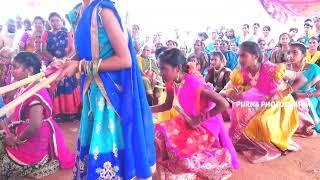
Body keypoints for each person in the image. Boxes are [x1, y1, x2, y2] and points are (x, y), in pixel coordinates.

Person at [64, 0, 156, 179]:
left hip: (108, 97)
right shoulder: (78, 12)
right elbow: (83, 52)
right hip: (91, 92)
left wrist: (81, 66)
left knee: (107, 144)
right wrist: (65, 62)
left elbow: (125, 60)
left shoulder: (104, 12)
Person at [152, 48, 239, 179]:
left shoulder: (194, 83)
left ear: (177, 68)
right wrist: (145, 109)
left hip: (204, 126)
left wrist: (199, 119)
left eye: (164, 68)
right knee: (159, 134)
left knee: (182, 154)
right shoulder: (171, 81)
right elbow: (167, 105)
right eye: (160, 68)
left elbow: (224, 103)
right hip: (188, 121)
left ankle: (215, 158)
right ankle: (172, 166)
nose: (161, 72)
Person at [226, 41, 306, 163]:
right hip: (260, 100)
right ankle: (249, 142)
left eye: (243, 55)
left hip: (280, 102)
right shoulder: (241, 71)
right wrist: (231, 92)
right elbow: (230, 87)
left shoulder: (272, 69)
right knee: (239, 110)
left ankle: (272, 144)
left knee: (262, 121)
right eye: (239, 55)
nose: (240, 59)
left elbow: (302, 78)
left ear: (255, 57)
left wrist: (281, 94)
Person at [0, 52, 75, 179]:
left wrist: (16, 139)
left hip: (33, 141)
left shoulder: (36, 92)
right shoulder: (26, 87)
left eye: (15, 67)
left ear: (29, 70)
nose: (11, 70)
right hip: (24, 131)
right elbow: (15, 113)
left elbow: (34, 126)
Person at [42, 12, 81, 121]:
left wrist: (65, 60)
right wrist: (54, 59)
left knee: (69, 85)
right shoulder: (46, 34)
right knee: (56, 86)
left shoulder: (68, 33)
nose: (55, 23)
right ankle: (58, 113)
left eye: (57, 20)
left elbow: (73, 49)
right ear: (49, 22)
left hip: (66, 64)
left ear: (61, 21)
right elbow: (43, 50)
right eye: (52, 21)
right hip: (53, 65)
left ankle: (71, 112)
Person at [287, 43, 320, 135]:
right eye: (289, 53)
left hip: (308, 97)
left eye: (295, 53)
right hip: (288, 95)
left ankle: (304, 127)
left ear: (304, 54)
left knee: (297, 104)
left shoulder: (314, 68)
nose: (290, 56)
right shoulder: (285, 67)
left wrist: (302, 95)